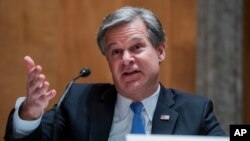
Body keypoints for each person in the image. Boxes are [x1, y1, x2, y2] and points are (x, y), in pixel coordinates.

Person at [4, 6, 225, 141]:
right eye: (116, 51)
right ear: (108, 60)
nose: (126, 59)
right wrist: (31, 112)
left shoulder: (195, 111)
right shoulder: (78, 103)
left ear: (160, 51)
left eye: (137, 47)